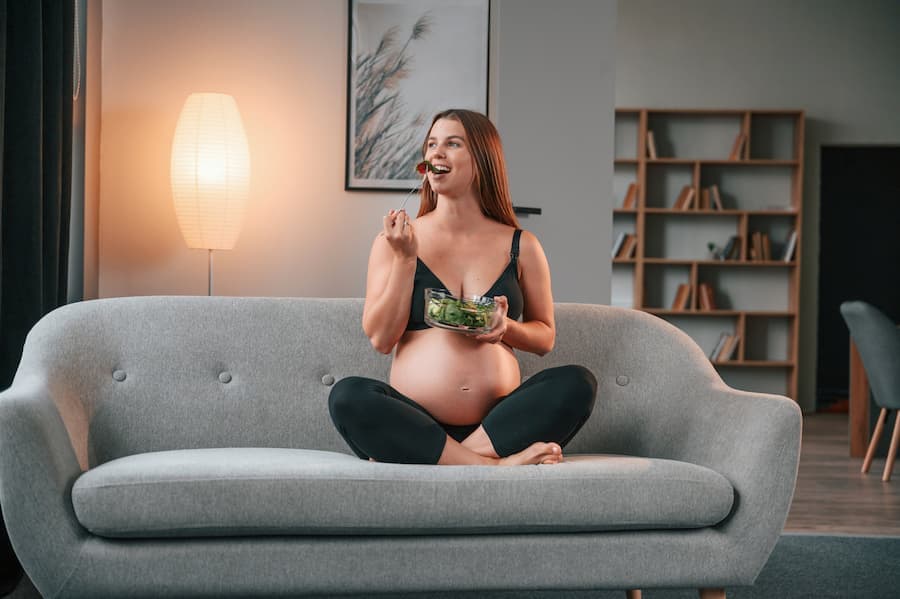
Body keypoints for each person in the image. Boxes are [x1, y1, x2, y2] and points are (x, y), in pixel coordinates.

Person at [329, 109, 596, 466]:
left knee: (577, 383)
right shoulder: (394, 241)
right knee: (348, 396)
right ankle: (494, 465)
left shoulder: (522, 245)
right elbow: (380, 339)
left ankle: (442, 459)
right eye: (431, 144)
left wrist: (507, 329)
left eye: (452, 144)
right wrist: (406, 260)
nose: (436, 153)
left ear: (482, 161)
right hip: (415, 420)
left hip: (496, 426)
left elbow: (545, 338)